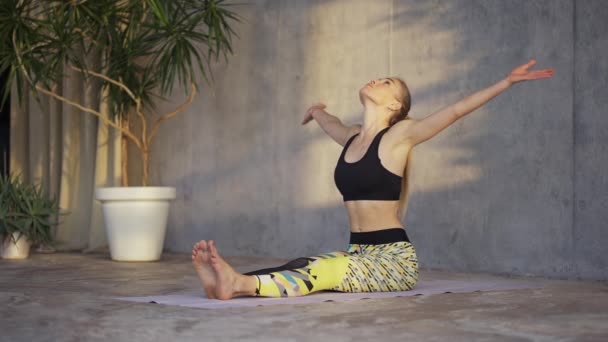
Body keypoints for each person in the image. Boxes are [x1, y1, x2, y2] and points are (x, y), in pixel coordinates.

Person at [191, 59, 554, 300]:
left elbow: (456, 111)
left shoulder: (401, 136)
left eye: (387, 82)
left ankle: (237, 283)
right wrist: (316, 110)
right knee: (301, 263)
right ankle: (228, 283)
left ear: (395, 106)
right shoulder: (350, 137)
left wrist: (506, 82)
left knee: (326, 270)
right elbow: (329, 122)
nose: (377, 80)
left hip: (393, 261)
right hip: (359, 253)